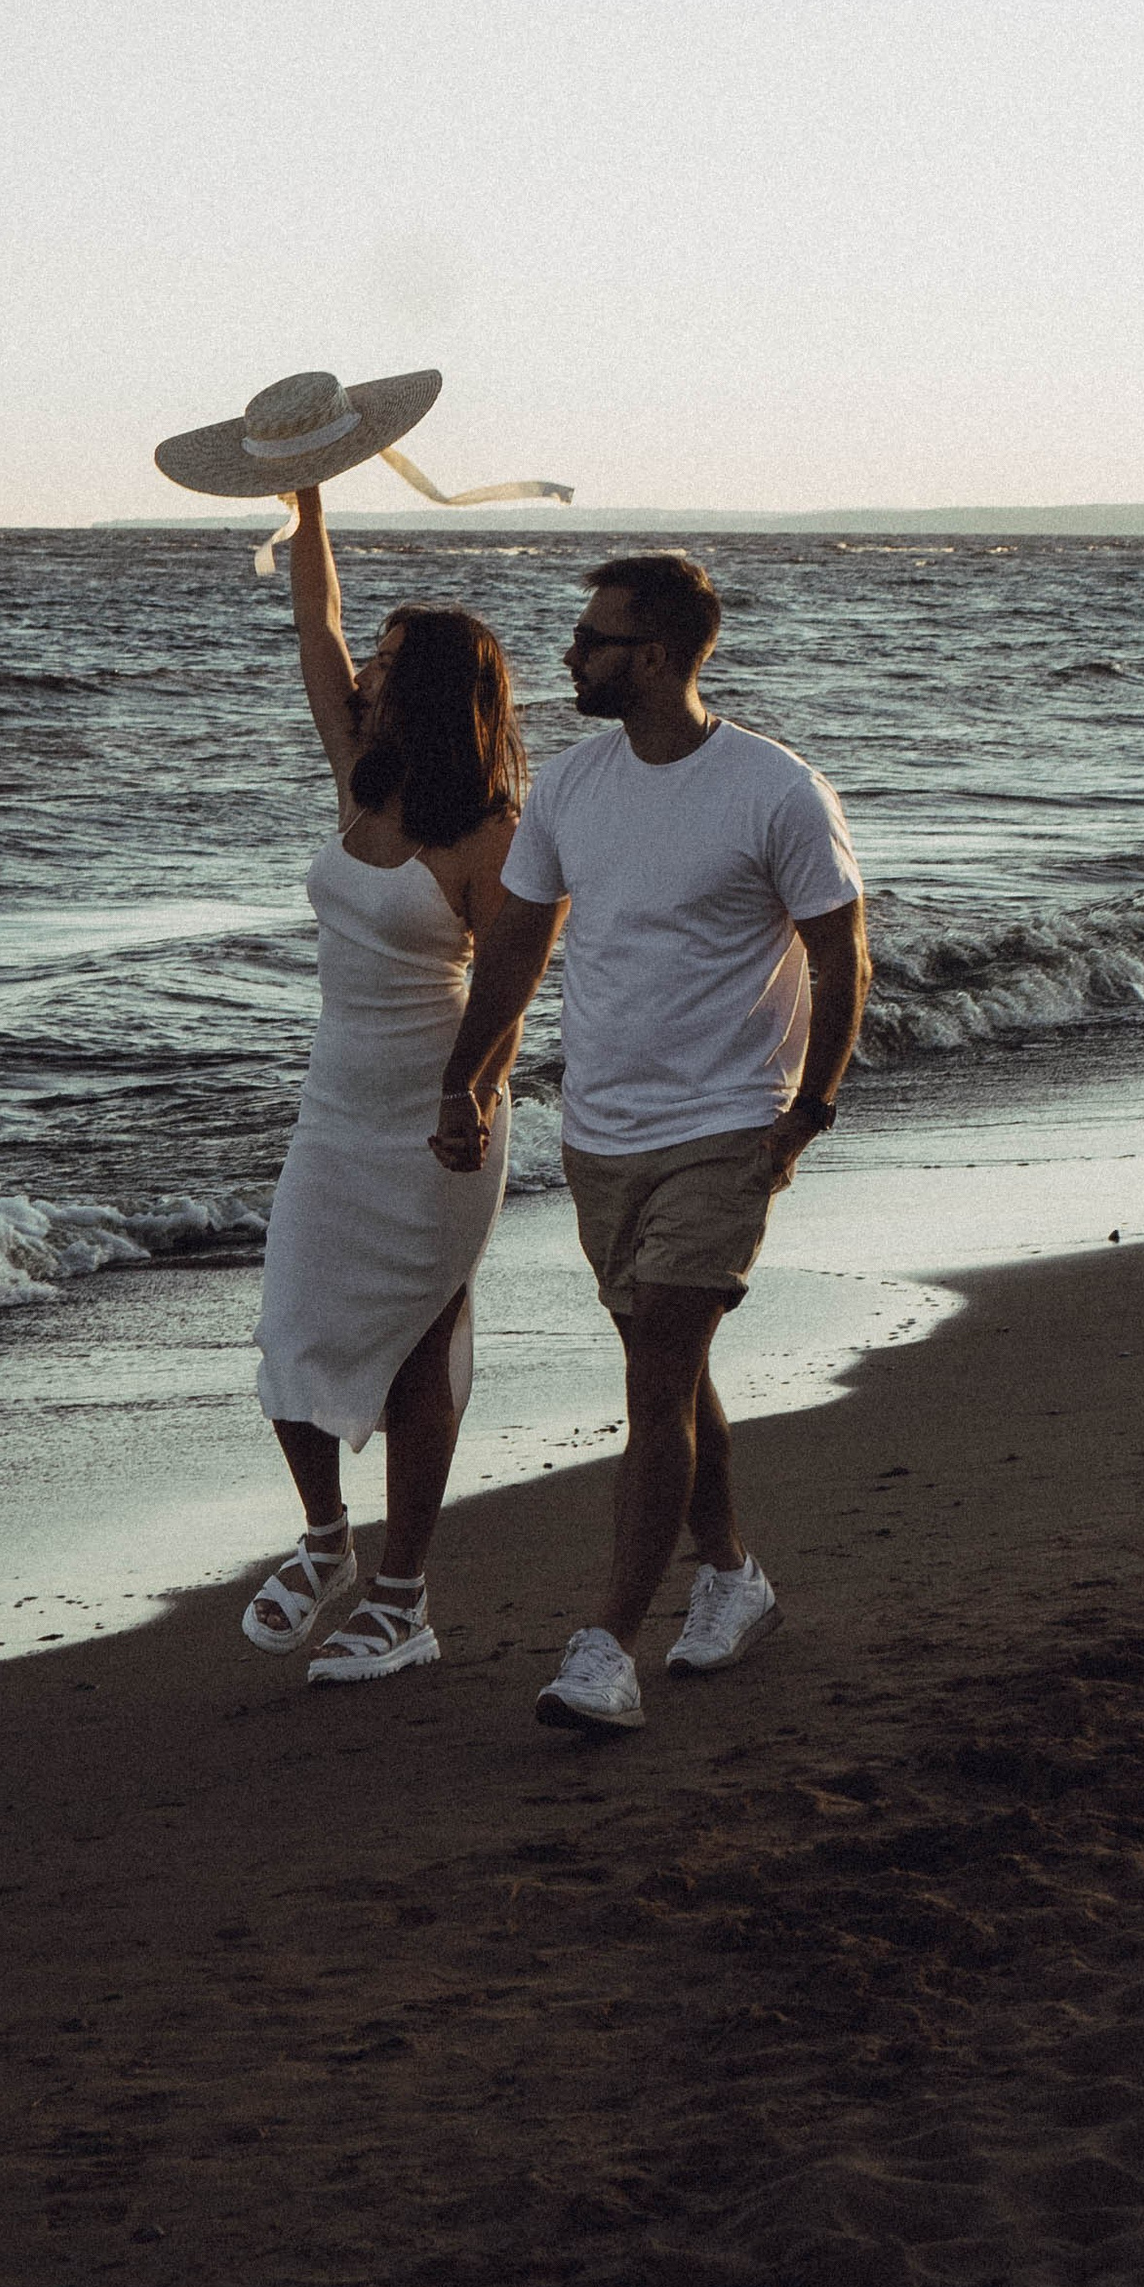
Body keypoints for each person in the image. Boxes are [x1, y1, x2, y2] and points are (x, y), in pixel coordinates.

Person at [429, 550, 869, 1733]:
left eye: (592, 641)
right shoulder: (572, 789)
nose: (568, 658)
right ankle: (731, 1575)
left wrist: (806, 1112)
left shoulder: (773, 788)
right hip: (603, 1131)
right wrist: (466, 1083)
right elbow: (513, 952)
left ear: (659, 655)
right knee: (666, 1373)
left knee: (658, 1374)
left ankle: (605, 1649)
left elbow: (840, 954)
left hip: (726, 1125)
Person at [241, 483, 533, 1683]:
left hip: (437, 1115)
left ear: (441, 691)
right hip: (335, 1108)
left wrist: (466, 1097)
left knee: (420, 1350)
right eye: (375, 657)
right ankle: (327, 1544)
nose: (364, 672)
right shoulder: (359, 767)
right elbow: (316, 624)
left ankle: (403, 1600)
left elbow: (512, 988)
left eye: (393, 663)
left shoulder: (495, 832)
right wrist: (308, 507)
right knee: (287, 1335)